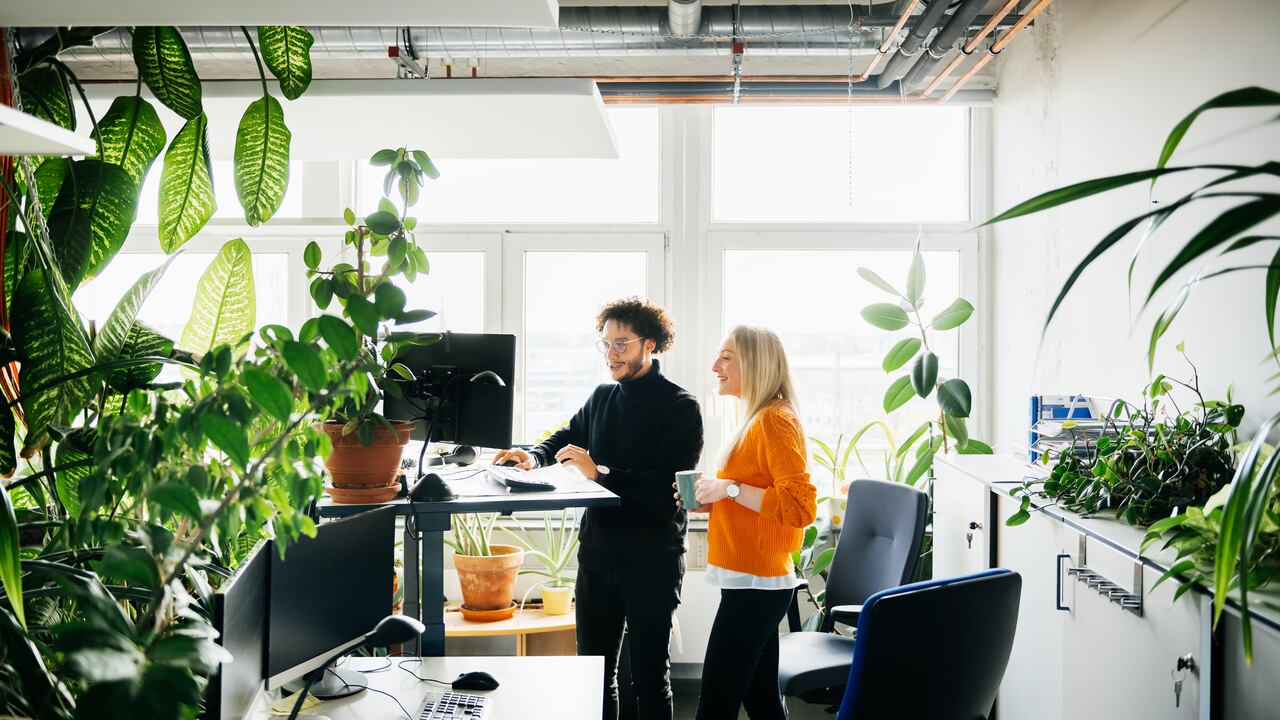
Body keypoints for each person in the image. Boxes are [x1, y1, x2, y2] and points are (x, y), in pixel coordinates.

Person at [494, 297, 703, 720]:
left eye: (621, 343)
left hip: (651, 560)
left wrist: (601, 473)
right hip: (598, 556)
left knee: (649, 679)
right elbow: (565, 438)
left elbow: (667, 488)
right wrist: (532, 456)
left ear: (650, 344)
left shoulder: (681, 406)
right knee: (594, 675)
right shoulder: (603, 397)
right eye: (605, 343)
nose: (611, 354)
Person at [677, 325, 817, 720]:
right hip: (750, 581)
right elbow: (759, 499)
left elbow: (798, 508)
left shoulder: (775, 420)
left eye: (726, 357)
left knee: (715, 707)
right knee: (762, 703)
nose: (714, 367)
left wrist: (729, 489)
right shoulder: (756, 419)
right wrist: (715, 501)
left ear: (755, 364)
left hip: (757, 585)